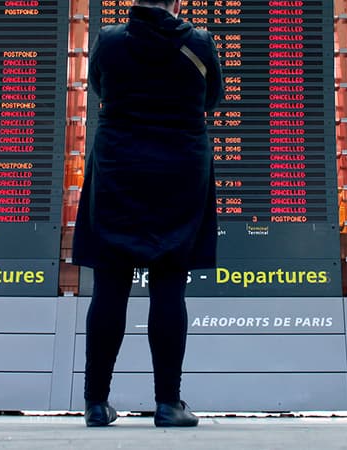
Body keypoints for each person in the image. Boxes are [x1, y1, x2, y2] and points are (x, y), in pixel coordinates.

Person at [71, 0, 222, 428]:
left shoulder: (110, 40)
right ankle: (168, 404)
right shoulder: (199, 42)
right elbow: (211, 98)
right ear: (177, 2)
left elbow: (100, 85)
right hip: (180, 170)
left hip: (119, 167)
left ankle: (96, 404)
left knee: (109, 285)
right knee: (170, 286)